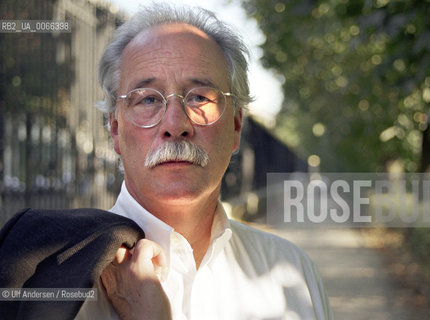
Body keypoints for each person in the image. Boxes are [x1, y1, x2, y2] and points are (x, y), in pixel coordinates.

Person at [2, 3, 332, 319]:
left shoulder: (295, 275)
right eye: (147, 99)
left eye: (200, 97)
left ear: (235, 126)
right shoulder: (43, 281)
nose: (175, 125)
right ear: (115, 130)